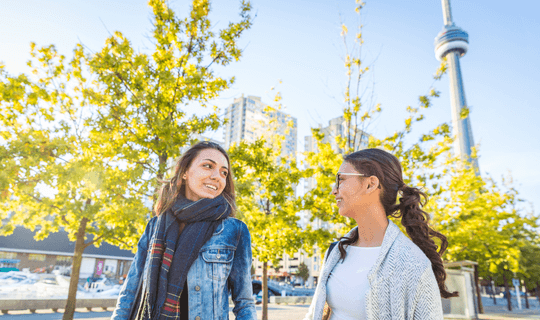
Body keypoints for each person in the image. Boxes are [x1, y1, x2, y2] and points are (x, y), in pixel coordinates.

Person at [304, 148, 458, 320]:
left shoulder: (414, 264)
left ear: (370, 184)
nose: (334, 191)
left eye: (341, 179)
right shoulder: (335, 251)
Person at [112, 141, 257, 320]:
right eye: (208, 166)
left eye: (223, 172)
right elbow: (129, 293)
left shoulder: (234, 231)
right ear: (186, 172)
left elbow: (244, 303)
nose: (217, 176)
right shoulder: (155, 226)